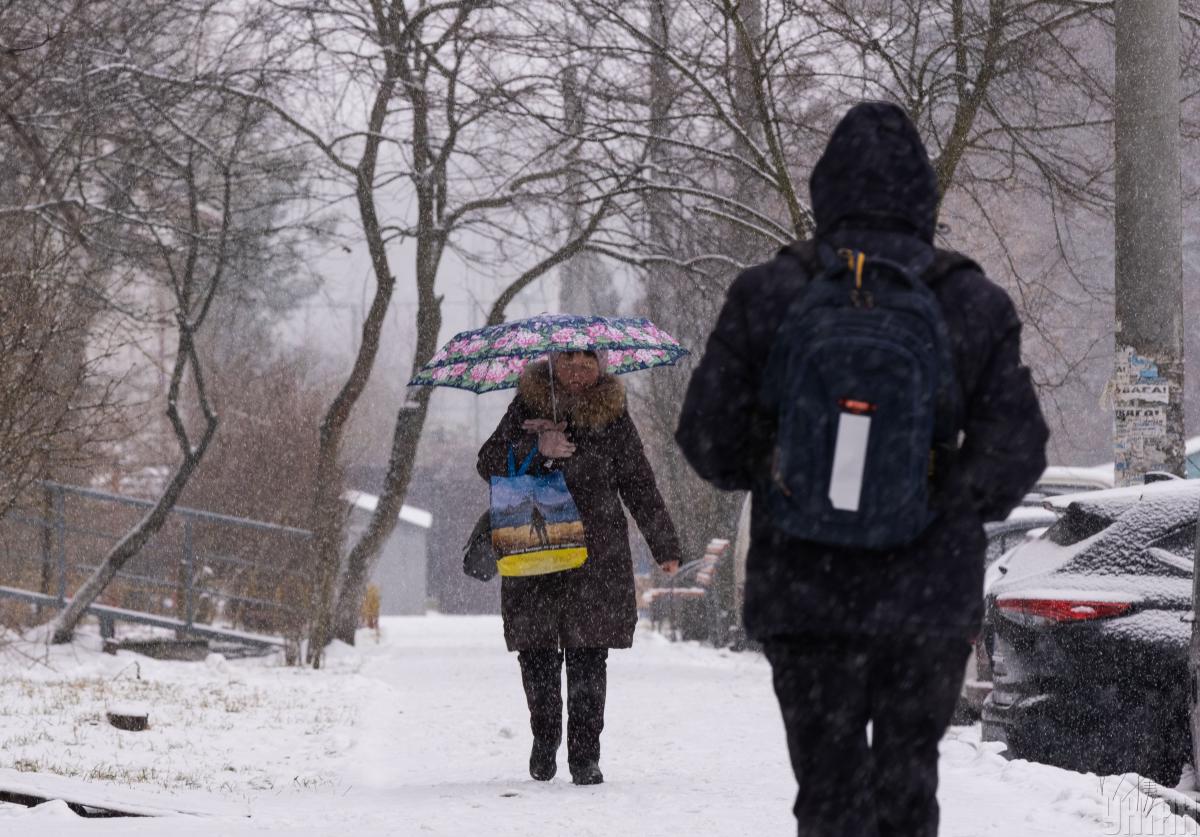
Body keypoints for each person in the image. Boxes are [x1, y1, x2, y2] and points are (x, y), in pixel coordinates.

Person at [675, 101, 1049, 837]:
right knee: (907, 782)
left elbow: (705, 438)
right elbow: (1018, 449)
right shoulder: (970, 301)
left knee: (828, 787)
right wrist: (934, 496)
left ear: (825, 187)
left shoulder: (769, 293)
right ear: (923, 194)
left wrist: (786, 467)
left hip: (807, 596)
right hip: (925, 599)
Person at [478, 349, 682, 786]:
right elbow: (488, 463)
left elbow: (638, 482)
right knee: (536, 653)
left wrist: (664, 543)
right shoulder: (526, 407)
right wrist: (536, 446)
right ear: (552, 364)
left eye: (586, 362)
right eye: (568, 361)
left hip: (597, 554)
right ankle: (545, 735)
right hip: (535, 552)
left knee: (590, 654)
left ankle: (586, 756)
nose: (577, 370)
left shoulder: (613, 415)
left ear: (601, 366)